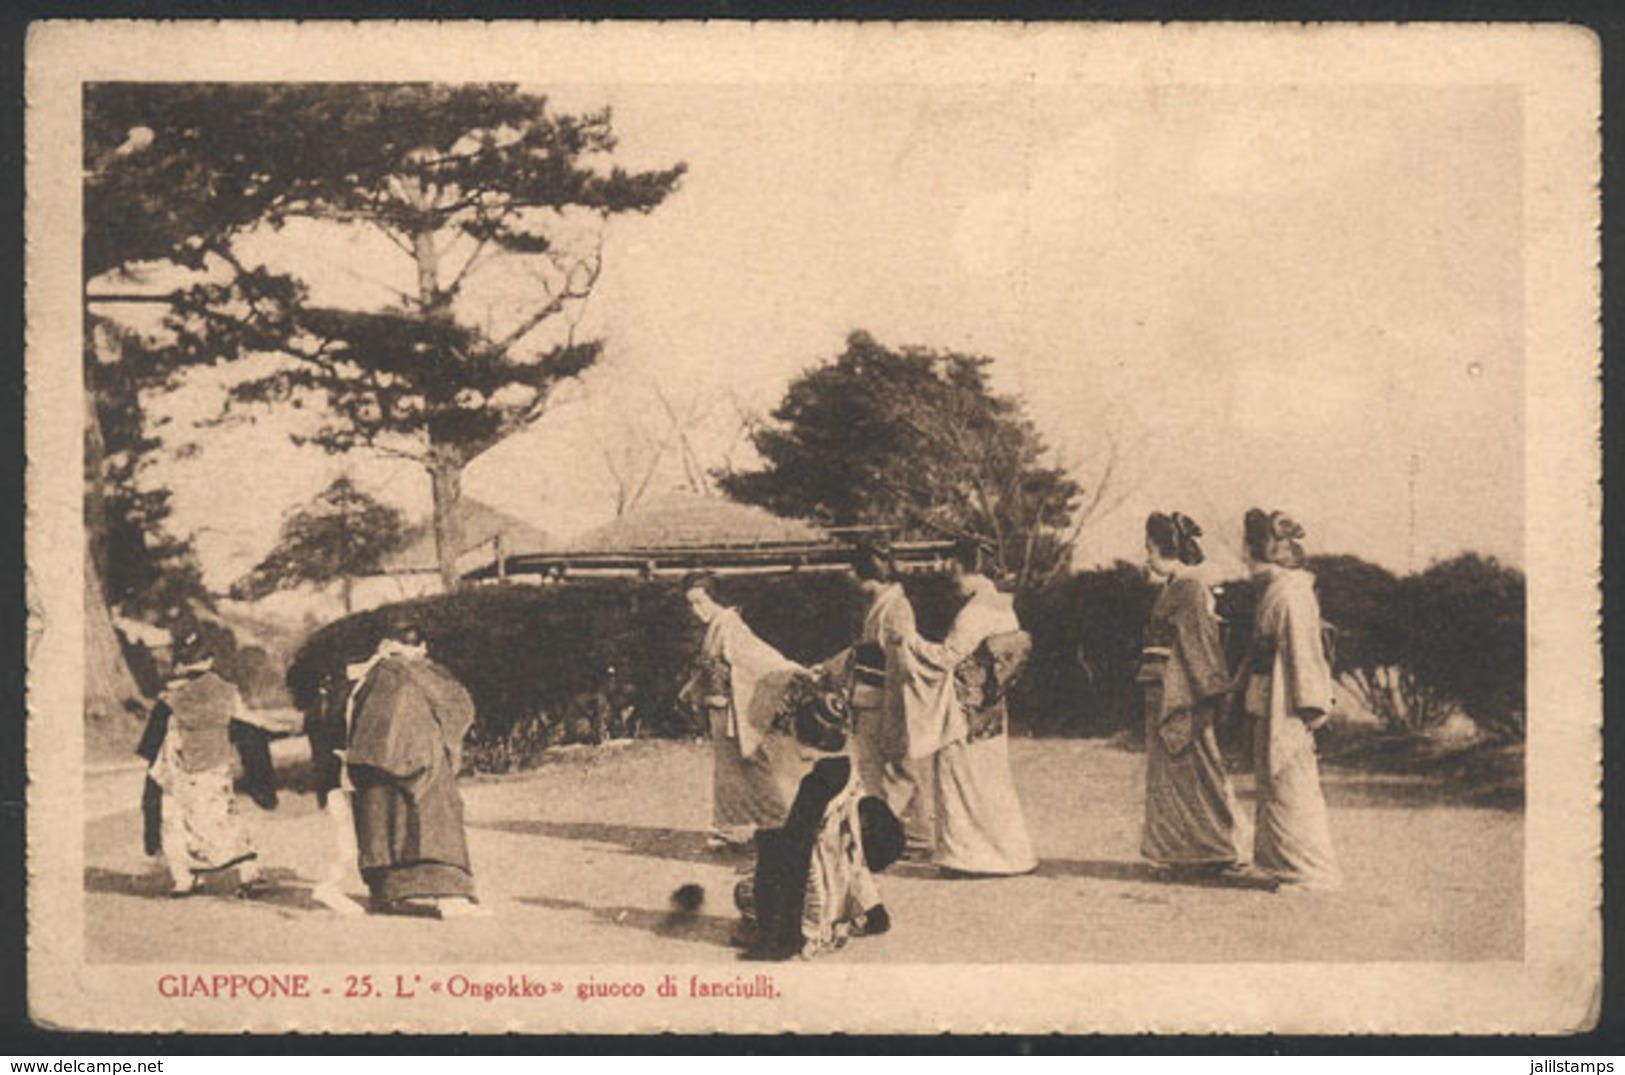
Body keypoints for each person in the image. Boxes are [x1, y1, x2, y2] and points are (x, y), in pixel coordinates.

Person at [894, 539, 1037, 877]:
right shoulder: (1002, 605)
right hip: (989, 704)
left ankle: (966, 858)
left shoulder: (975, 611)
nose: (950, 573)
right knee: (992, 781)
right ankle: (1010, 854)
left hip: (964, 706)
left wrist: (910, 640)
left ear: (962, 566)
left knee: (959, 776)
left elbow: (947, 657)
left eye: (952, 565)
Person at [734, 682, 903, 961]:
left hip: (814, 904)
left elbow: (792, 861)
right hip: (840, 887)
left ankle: (779, 937)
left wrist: (779, 941)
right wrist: (875, 913)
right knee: (838, 853)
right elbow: (856, 857)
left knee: (749, 886)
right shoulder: (847, 769)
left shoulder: (814, 784)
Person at [345, 615, 487, 918]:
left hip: (372, 765)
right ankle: (450, 898)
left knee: (382, 823)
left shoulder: (370, 675)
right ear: (422, 647)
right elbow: (459, 707)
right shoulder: (426, 672)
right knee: (432, 821)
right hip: (425, 761)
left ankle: (386, 893)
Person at [1240, 508, 1343, 892]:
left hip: (1289, 702)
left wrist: (1310, 707)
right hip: (1270, 696)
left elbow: (1303, 652)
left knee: (1292, 784)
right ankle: (1278, 863)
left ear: (1264, 550)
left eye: (1248, 548)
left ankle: (1313, 873)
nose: (1244, 557)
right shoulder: (1279, 591)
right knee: (1273, 785)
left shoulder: (1292, 594)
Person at [1138, 512, 1247, 873]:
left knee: (1198, 769)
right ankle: (1180, 850)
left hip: (1182, 689)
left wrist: (1201, 692)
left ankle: (1216, 847)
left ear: (1165, 549)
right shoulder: (1177, 585)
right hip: (1164, 685)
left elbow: (1199, 643)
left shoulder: (1190, 587)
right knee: (1172, 775)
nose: (1146, 557)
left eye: (1149, 549)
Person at [679, 572, 810, 847]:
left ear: (716, 599)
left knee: (751, 763)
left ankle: (776, 821)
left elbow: (759, 657)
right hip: (719, 707)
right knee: (729, 771)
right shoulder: (716, 625)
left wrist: (791, 669)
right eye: (691, 604)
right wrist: (695, 687)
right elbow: (709, 666)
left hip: (732, 708)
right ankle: (732, 828)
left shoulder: (730, 625)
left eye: (701, 602)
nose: (696, 610)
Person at [137, 625, 261, 897]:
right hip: (212, 764)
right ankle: (246, 871)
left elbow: (151, 742)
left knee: (177, 821)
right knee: (221, 817)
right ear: (210, 660)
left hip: (180, 768)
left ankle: (186, 877)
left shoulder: (170, 698)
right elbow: (247, 721)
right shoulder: (227, 691)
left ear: (180, 662)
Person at [842, 540, 935, 853]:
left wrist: (896, 713)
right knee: (883, 767)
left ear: (863, 574)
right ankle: (915, 833)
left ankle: (909, 835)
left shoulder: (895, 608)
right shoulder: (881, 605)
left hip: (885, 695)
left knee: (893, 766)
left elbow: (898, 664)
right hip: (871, 694)